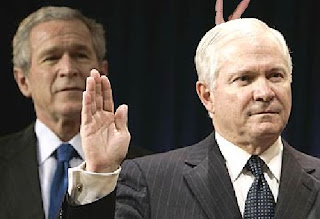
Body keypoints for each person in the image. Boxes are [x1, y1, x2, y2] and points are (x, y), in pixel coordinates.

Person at [66, 0, 320, 218]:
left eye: (276, 75)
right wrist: (98, 174)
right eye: (244, 78)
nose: (265, 93)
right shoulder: (150, 181)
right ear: (207, 95)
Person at [0, 6, 152, 219]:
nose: (68, 68)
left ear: (102, 71)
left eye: (80, 55)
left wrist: (101, 172)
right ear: (23, 81)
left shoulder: (147, 172)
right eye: (51, 57)